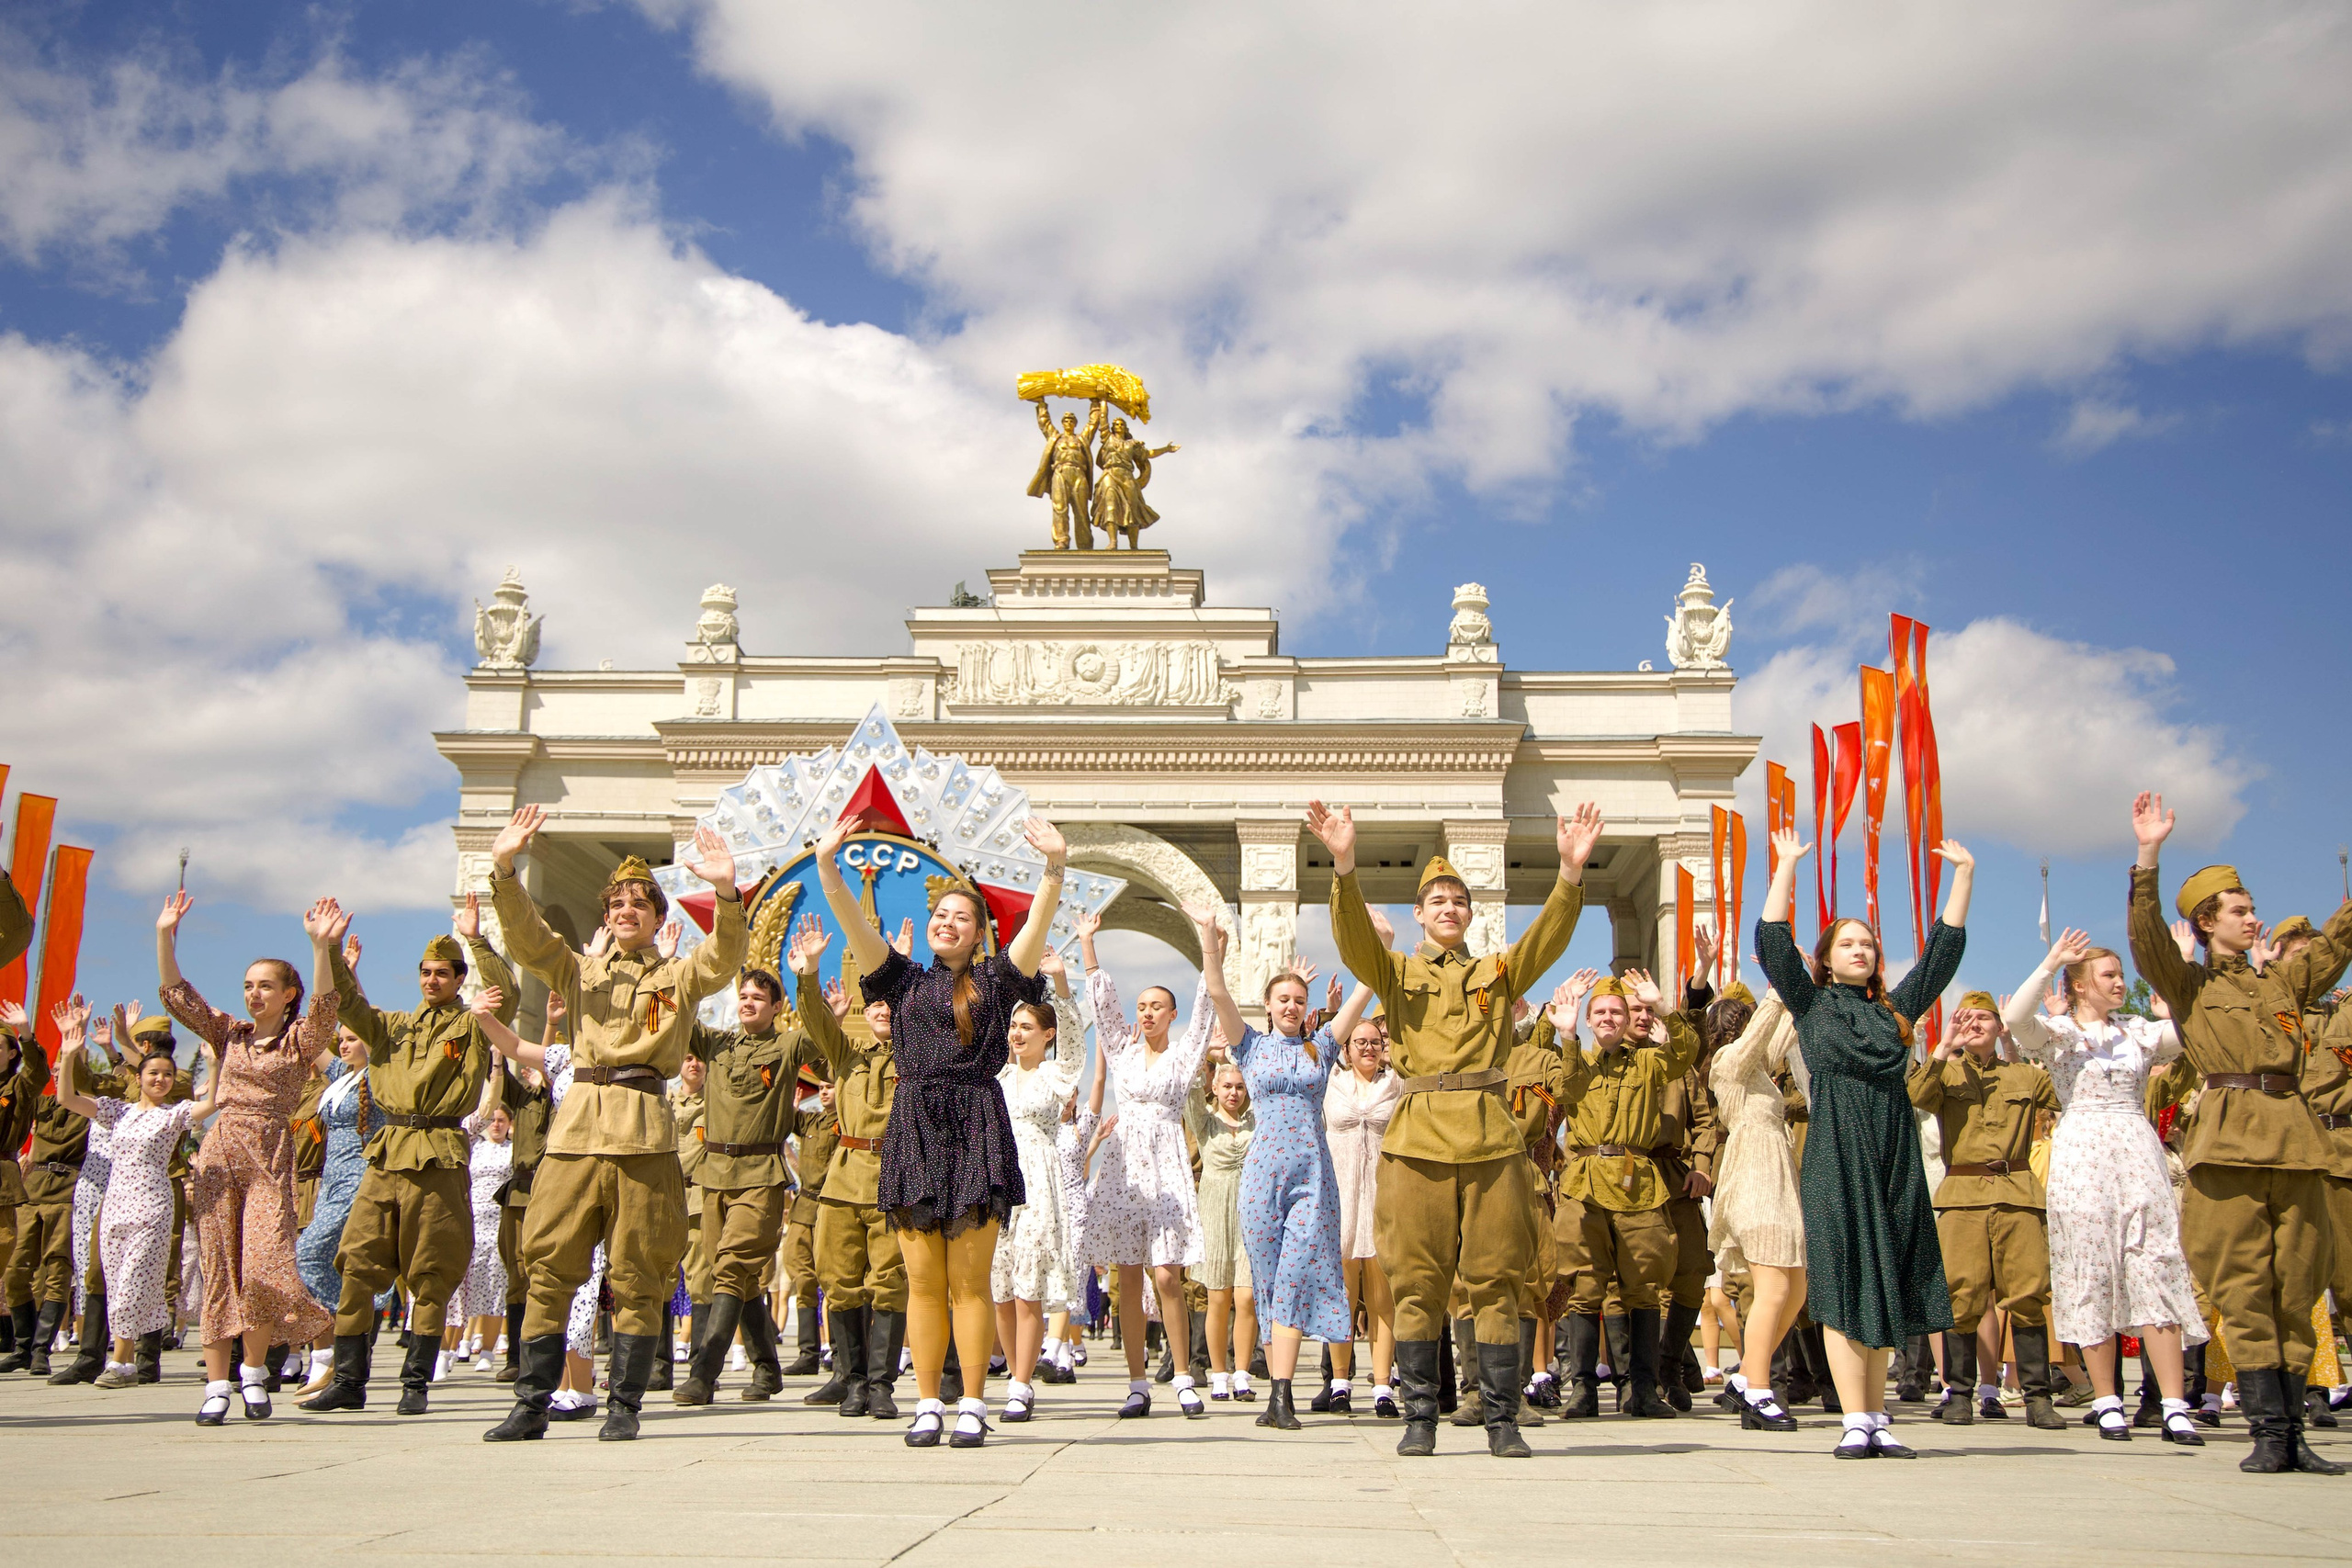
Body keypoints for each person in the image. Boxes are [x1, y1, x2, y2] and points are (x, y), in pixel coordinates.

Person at [1309, 799, 1604, 1460]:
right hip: (1416, 1138)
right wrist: (1345, 864)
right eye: (1436, 900)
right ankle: (1420, 1414)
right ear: (1419, 914)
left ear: (1469, 914)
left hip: (1491, 1137)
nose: (1448, 907)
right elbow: (1356, 940)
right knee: (1417, 1279)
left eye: (1458, 900)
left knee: (1497, 1277)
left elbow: (1544, 943)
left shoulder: (1494, 972)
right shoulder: (1398, 972)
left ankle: (1502, 1416)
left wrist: (1568, 872)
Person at [481, 807, 749, 1443]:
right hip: (575, 1135)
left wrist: (727, 892)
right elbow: (526, 938)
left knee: (639, 1269)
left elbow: (722, 957)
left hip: (643, 1131)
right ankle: (532, 1402)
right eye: (616, 903)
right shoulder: (578, 970)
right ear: (606, 916)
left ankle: (624, 1401)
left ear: (660, 917)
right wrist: (504, 868)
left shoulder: (675, 978)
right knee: (547, 1263)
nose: (626, 910)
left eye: (639, 902)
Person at [810, 813, 1065, 1450]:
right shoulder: (903, 980)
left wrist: (1054, 868)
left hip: (977, 1121)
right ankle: (927, 1402)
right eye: (939, 914)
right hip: (916, 1125)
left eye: (960, 916)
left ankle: (973, 1402)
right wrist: (827, 869)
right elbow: (855, 925)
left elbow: (1035, 927)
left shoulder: (1000, 978)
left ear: (979, 931)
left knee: (969, 1283)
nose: (945, 921)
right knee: (922, 1281)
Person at [2125, 792, 2352, 1473]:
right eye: (2240, 910)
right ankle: (2267, 1429)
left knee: (2296, 1283)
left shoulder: (2282, 981)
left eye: (2253, 909)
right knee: (2245, 1284)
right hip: (2228, 1143)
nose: (2253, 919)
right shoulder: (2189, 984)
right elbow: (2145, 937)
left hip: (2296, 1141)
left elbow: (2339, 941)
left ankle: (2294, 1432)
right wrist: (2148, 854)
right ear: (2206, 921)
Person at [1756, 826, 1973, 1459]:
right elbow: (1771, 942)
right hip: (1837, 1150)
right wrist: (1788, 865)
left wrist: (1963, 876)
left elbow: (1942, 953)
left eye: (1868, 942)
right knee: (1849, 1279)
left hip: (1894, 1149)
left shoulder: (1896, 1011)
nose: (1862, 949)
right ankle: (1853, 1417)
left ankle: (1876, 1415)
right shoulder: (1812, 1005)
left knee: (1889, 1273)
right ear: (1824, 958)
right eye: (1848, 942)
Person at [300, 895, 513, 1416]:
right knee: (357, 1264)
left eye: (443, 973)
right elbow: (347, 1002)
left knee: (431, 1272)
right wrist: (326, 948)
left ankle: (415, 1383)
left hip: (438, 1153)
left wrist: (478, 940)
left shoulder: (469, 1025)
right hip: (387, 1152)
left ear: (459, 978)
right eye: (425, 972)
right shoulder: (392, 1026)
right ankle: (349, 1382)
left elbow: (502, 994)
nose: (432, 980)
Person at [2001, 928, 2206, 1445]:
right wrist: (2050, 961)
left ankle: (2176, 1404)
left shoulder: (2137, 1031)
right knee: (2090, 1265)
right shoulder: (2060, 1033)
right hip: (2083, 1150)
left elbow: (2194, 1029)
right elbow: (2016, 1019)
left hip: (2137, 1150)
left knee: (2154, 1262)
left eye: (2121, 974)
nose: (2120, 983)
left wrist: (2178, 965)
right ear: (2080, 985)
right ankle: (2107, 1398)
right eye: (2109, 975)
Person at [157, 893, 344, 1425]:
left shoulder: (298, 1044)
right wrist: (165, 934)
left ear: (288, 995)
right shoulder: (228, 1034)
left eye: (265, 985)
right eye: (248, 985)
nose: (254, 994)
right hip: (221, 1154)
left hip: (269, 1155)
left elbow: (327, 1008)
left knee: (263, 1266)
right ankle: (217, 1385)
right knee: (220, 1269)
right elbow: (176, 995)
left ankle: (255, 1373)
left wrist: (320, 948)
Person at [1195, 908, 1371, 1437]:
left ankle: (1283, 1394)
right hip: (1260, 1179)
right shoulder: (1250, 1046)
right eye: (1283, 1000)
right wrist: (1210, 941)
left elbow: (1365, 992)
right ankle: (1275, 1397)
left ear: (1307, 1007)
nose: (1292, 1006)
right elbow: (1219, 991)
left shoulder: (1324, 1046)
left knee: (1294, 1276)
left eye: (1300, 1000)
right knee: (1269, 1284)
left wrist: (1376, 943)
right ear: (1269, 1007)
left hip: (1312, 1177)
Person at [673, 934, 829, 1408]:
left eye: (759, 998)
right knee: (736, 1280)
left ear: (777, 1007)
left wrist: (808, 974)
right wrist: (670, 961)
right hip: (713, 1171)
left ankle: (704, 1372)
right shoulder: (716, 1044)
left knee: (732, 1268)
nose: (748, 1003)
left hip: (760, 1173)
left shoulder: (786, 1047)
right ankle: (767, 1369)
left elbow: (820, 1029)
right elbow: (679, 1011)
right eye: (743, 996)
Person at [1907, 989, 2066, 1431]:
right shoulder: (1947, 1071)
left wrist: (2022, 1043)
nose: (1975, 1024)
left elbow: (2063, 1093)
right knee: (1961, 1295)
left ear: (1999, 1027)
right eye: (1967, 1018)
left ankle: (2038, 1398)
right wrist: (1943, 1045)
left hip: (2017, 1192)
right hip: (1962, 1195)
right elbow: (1916, 1095)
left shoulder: (2025, 1077)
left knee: (2030, 1295)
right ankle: (1959, 1394)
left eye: (1985, 1018)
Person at [44, 998, 219, 1389]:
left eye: (167, 1076)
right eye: (153, 1074)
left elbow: (212, 1102)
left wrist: (213, 1064)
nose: (160, 1080)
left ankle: (121, 1365)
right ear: (138, 1076)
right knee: (117, 1280)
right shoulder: (117, 1111)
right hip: (115, 1206)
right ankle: (130, 1359)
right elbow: (67, 1099)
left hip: (153, 1207)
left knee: (131, 1284)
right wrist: (70, 1054)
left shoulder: (171, 1115)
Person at [1551, 968, 1700, 1424]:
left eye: (1617, 1011)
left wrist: (1666, 1008)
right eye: (1601, 1012)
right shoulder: (1576, 1058)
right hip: (1586, 1182)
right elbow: (1566, 1091)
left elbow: (1686, 1052)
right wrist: (1567, 1032)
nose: (1610, 1018)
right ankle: (1583, 1389)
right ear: (1591, 1020)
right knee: (1585, 1287)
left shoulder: (1648, 1062)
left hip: (1637, 1181)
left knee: (1643, 1288)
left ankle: (1643, 1389)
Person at [1081, 924, 1216, 1418]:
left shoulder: (1184, 1056)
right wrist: (1088, 946)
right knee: (1130, 1278)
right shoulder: (1121, 1051)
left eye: (1157, 1006)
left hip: (1166, 1167)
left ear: (1171, 1014)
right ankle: (1137, 1382)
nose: (1147, 1012)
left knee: (1167, 1275)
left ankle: (1183, 1376)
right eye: (1142, 1006)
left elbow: (1206, 1008)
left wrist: (1208, 943)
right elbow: (1103, 1006)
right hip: (1122, 1170)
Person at [794, 916, 913, 1420]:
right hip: (843, 1177)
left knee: (889, 1279)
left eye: (892, 1003)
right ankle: (854, 1379)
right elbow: (818, 1023)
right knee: (838, 1277)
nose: (883, 1011)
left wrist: (902, 971)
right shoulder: (848, 1055)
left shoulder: (916, 1056)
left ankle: (882, 1382)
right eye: (876, 1004)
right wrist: (809, 972)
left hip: (892, 1175)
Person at [990, 946, 1085, 1421]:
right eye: (1014, 1027)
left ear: (1045, 1035)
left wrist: (1061, 983)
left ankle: (1022, 1385)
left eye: (1026, 1027)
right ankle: (1013, 1372)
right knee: (1001, 1290)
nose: (1016, 1034)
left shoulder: (1055, 1074)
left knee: (1028, 1286)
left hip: (1038, 1183)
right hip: (998, 1186)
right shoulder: (998, 1076)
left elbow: (1074, 1042)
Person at [1705, 985, 1806, 1431]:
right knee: (1774, 1288)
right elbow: (1758, 1037)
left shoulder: (1761, 1070)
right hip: (1754, 1175)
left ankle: (1747, 1376)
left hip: (1781, 1175)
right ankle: (1760, 1391)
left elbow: (1782, 1032)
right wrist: (1776, 989)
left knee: (1797, 1291)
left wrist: (1803, 986)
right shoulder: (1727, 1063)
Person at [1, 995, 87, 1378]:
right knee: (17, 1270)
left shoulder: (85, 1106)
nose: (57, 1073)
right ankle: (22, 1346)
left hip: (65, 1189)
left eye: (63, 1067)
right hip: (29, 1189)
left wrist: (27, 1034)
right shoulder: (42, 1104)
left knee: (56, 1267)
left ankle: (40, 1349)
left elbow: (35, 1072)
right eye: (56, 1068)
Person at [1325, 1010, 1401, 1417]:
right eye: (1361, 1042)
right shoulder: (1330, 1083)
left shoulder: (1397, 1084)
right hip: (1339, 1197)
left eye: (1375, 1042)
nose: (1369, 1048)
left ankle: (1383, 1386)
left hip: (1383, 1197)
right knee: (1342, 1296)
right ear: (1347, 1049)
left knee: (1382, 1298)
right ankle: (1339, 1382)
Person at [1189, 1052, 1257, 1403]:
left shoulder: (1255, 1121)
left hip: (1250, 1212)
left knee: (1246, 1298)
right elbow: (1188, 1092)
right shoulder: (1205, 1122)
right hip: (1215, 1212)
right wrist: (1206, 1055)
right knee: (1218, 1297)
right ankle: (1218, 1374)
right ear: (1214, 1087)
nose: (1234, 1093)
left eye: (1240, 1087)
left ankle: (1242, 1372)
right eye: (1227, 1086)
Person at [0, 1003, 47, 1371]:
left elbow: (38, 1073)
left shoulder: (19, 1084)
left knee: (3, 1249)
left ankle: (27, 1344)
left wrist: (26, 1034)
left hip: (2, 1177)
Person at [461, 1097, 514, 1372]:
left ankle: (488, 1350)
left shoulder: (513, 1151)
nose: (496, 1124)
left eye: (501, 1120)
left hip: (498, 1222)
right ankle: (456, 1343)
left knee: (495, 1285)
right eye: (493, 1120)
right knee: (466, 1283)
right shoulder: (474, 1146)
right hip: (472, 1220)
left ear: (509, 1125)